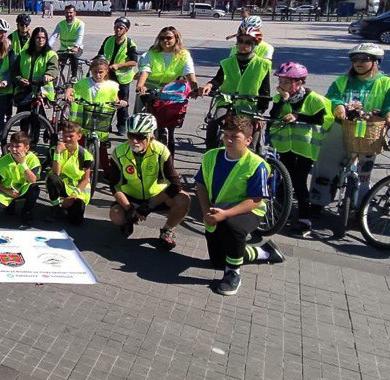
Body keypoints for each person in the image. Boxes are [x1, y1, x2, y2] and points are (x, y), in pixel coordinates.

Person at [195, 114, 286, 296]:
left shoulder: (257, 164)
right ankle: (264, 253)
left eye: (235, 137)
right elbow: (201, 185)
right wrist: (206, 213)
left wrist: (225, 214)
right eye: (225, 135)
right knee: (219, 261)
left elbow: (255, 200)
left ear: (248, 140)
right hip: (217, 210)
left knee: (232, 228)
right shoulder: (211, 156)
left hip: (248, 210)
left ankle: (233, 274)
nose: (228, 140)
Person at [311, 43, 390, 206]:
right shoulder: (342, 81)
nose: (358, 62)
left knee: (364, 172)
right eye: (355, 59)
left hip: (369, 130)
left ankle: (360, 205)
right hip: (342, 127)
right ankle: (318, 200)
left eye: (364, 59)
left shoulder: (386, 83)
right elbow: (332, 96)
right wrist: (337, 105)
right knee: (326, 164)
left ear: (375, 61)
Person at [104, 113, 190, 251]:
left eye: (140, 137)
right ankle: (129, 219)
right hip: (132, 197)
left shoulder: (161, 151)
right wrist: (128, 208)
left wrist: (150, 205)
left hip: (157, 197)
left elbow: (175, 185)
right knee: (116, 216)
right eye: (131, 135)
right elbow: (114, 185)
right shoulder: (119, 152)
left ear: (151, 136)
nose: (134, 141)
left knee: (183, 199)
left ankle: (167, 230)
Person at [267, 62, 333, 235]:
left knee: (299, 181)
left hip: (305, 147)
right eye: (281, 81)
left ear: (299, 83)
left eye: (287, 82)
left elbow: (320, 119)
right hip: (285, 144)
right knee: (285, 177)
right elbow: (274, 115)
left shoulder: (313, 99)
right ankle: (283, 211)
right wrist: (282, 101)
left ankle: (305, 219)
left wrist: (297, 115)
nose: (282, 85)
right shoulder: (279, 96)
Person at [200, 30, 272, 150]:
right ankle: (210, 156)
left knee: (253, 137)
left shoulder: (262, 65)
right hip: (228, 102)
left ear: (254, 44)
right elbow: (218, 79)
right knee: (213, 124)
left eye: (247, 42)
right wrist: (209, 85)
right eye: (240, 41)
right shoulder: (228, 62)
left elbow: (265, 91)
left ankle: (251, 160)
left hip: (249, 106)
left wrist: (259, 113)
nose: (243, 45)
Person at [133, 26, 200, 150]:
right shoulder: (151, 53)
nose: (165, 41)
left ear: (176, 39)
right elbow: (145, 70)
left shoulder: (184, 55)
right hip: (150, 89)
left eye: (169, 38)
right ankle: (137, 147)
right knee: (139, 120)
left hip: (171, 92)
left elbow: (190, 74)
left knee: (170, 127)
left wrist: (195, 89)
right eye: (162, 38)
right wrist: (140, 86)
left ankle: (169, 159)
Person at [65, 57, 122, 157]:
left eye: (101, 72)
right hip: (84, 119)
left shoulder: (112, 85)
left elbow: (116, 98)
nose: (98, 74)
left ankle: (107, 170)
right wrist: (68, 94)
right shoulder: (84, 83)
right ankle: (78, 163)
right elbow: (73, 89)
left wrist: (120, 102)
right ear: (91, 70)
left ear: (106, 72)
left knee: (102, 148)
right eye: (95, 72)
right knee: (80, 144)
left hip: (101, 119)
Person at [14, 26, 57, 140]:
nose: (41, 40)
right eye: (38, 37)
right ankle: (23, 139)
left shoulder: (50, 54)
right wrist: (19, 79)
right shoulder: (24, 53)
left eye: (43, 38)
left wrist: (48, 75)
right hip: (25, 88)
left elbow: (53, 67)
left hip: (41, 89)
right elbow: (16, 69)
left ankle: (38, 136)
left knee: (37, 118)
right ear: (33, 39)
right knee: (24, 118)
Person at [46, 120, 93, 225]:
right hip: (62, 185)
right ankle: (55, 207)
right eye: (64, 136)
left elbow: (86, 179)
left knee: (76, 221)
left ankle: (68, 207)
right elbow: (56, 173)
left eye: (70, 136)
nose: (67, 139)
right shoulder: (55, 150)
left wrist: (73, 196)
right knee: (52, 178)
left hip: (77, 189)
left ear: (79, 136)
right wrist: (57, 152)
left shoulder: (85, 155)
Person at [0, 131, 41, 223]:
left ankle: (27, 211)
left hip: (24, 189)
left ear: (26, 148)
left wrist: (22, 163)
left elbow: (33, 180)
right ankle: (11, 204)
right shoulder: (2, 162)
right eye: (12, 146)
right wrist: (8, 191)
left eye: (18, 147)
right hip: (7, 190)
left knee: (35, 189)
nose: (13, 149)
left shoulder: (32, 159)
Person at [98, 17, 138, 132]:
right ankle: (106, 124)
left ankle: (122, 125)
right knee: (107, 100)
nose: (117, 30)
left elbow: (134, 62)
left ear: (126, 30)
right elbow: (100, 54)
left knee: (122, 102)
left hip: (123, 78)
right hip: (109, 75)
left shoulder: (130, 43)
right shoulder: (108, 40)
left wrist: (119, 65)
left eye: (121, 28)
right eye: (116, 27)